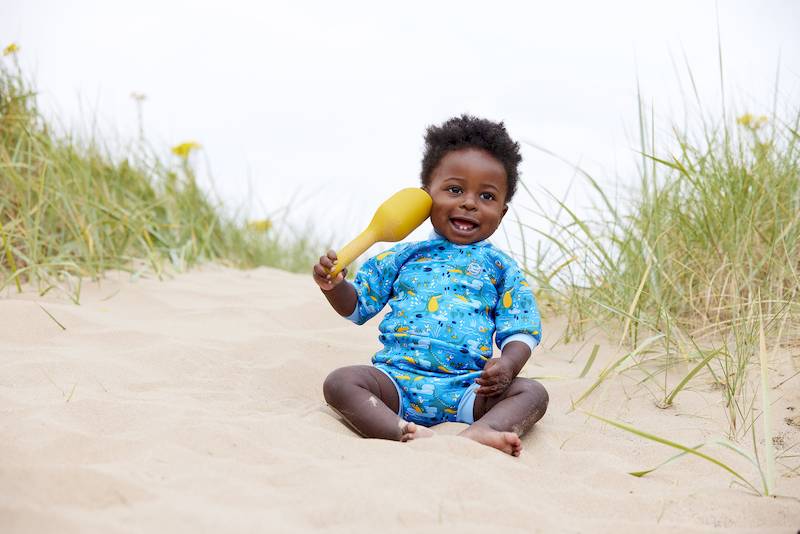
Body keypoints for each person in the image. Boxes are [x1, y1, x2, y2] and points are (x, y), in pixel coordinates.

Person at [312, 115, 548, 456]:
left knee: (532, 393)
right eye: (454, 190)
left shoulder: (501, 268)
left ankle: (483, 430)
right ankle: (399, 430)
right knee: (340, 382)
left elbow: (521, 326)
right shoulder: (403, 255)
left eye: (486, 196)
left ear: (503, 211)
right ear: (425, 198)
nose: (469, 202)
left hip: (468, 387)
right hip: (396, 382)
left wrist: (509, 365)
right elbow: (358, 306)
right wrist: (334, 286)